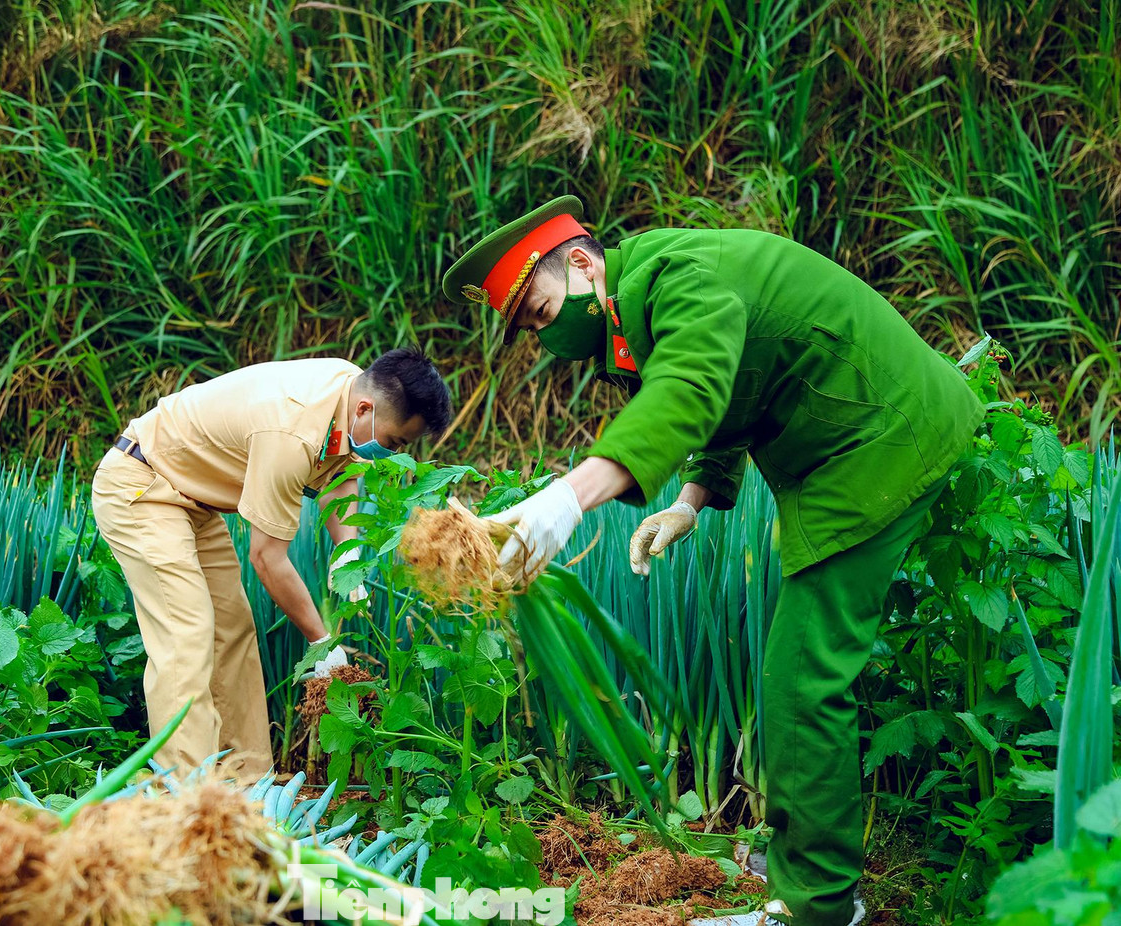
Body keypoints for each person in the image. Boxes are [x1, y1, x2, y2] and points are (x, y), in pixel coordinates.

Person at [441, 196, 982, 926]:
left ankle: (819, 905)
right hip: (852, 446)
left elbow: (692, 386)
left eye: (538, 313)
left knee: (804, 676)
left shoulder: (680, 276)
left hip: (882, 439)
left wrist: (567, 499)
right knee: (796, 668)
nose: (545, 337)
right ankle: (802, 859)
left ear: (578, 263)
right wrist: (691, 500)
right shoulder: (642, 294)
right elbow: (732, 388)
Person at [91, 348, 452, 779]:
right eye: (394, 442)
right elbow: (266, 558)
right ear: (365, 410)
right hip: (143, 483)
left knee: (233, 628)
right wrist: (322, 642)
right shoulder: (292, 431)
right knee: (186, 632)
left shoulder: (353, 390)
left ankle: (246, 781)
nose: (392, 453)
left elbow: (341, 475)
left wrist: (347, 553)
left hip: (193, 501)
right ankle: (183, 794)